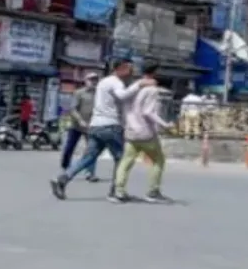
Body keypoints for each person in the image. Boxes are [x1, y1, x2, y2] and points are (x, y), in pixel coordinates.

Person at [50, 58, 153, 201]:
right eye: (129, 68)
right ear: (121, 68)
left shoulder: (104, 82)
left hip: (96, 125)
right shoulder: (115, 82)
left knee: (88, 157)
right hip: (110, 126)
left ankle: (62, 179)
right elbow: (122, 96)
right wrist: (139, 85)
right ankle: (116, 192)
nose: (132, 71)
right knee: (121, 159)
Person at [115, 61, 174, 203]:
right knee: (158, 160)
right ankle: (153, 191)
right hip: (146, 132)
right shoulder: (152, 90)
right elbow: (148, 112)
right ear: (154, 74)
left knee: (126, 162)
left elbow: (124, 107)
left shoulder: (134, 88)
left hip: (131, 131)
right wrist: (165, 124)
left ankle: (119, 191)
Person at [60, 72, 100, 183]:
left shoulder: (99, 94)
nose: (93, 82)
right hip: (77, 125)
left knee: (92, 150)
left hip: (91, 126)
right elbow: (73, 109)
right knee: (69, 147)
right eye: (91, 80)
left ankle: (90, 173)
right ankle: (66, 168)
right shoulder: (79, 93)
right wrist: (80, 120)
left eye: (95, 80)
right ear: (85, 81)